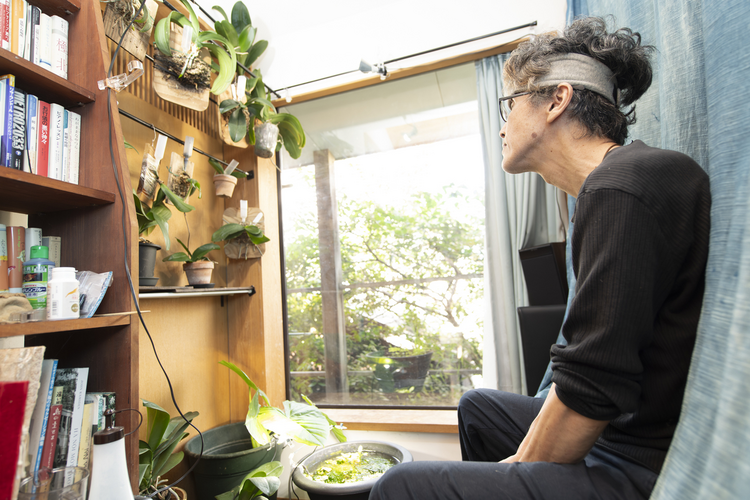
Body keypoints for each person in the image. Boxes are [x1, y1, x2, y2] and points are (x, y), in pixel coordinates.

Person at [369, 16, 711, 500]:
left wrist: (509, 472)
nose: (502, 126)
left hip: (633, 458)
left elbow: (593, 385)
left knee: (400, 486)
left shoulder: (621, 186)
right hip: (618, 431)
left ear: (557, 100)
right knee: (478, 407)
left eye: (510, 104)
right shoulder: (620, 181)